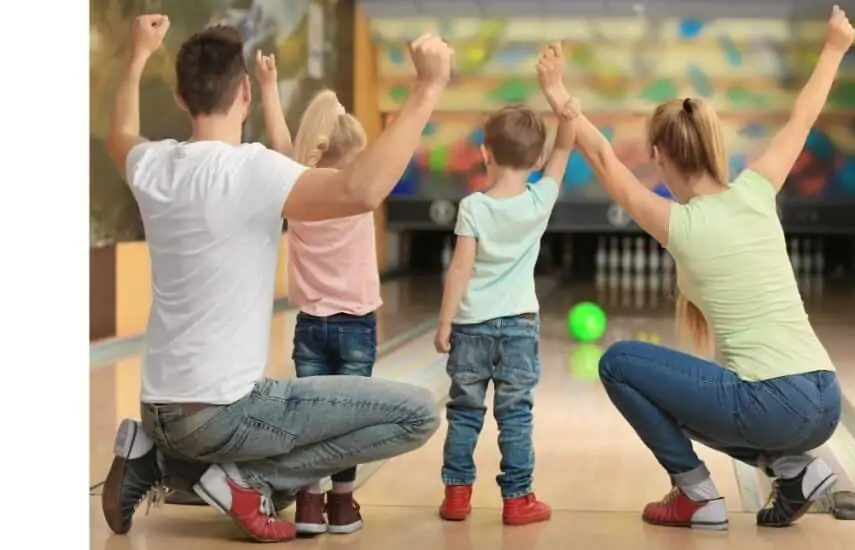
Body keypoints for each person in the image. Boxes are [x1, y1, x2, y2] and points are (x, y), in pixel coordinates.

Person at [100, 15, 453, 543]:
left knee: (282, 475)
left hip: (160, 411)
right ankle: (246, 483)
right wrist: (427, 89)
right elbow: (361, 190)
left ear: (179, 95)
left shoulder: (155, 165)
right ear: (245, 92)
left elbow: (118, 134)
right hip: (226, 413)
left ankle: (149, 461)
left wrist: (135, 56)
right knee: (419, 414)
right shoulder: (255, 171)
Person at [533, 5, 855, 530]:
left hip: (772, 402)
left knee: (619, 364)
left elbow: (602, 158)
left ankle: (697, 493)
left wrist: (557, 96)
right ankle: (793, 469)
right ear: (710, 146)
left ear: (659, 154)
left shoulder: (678, 223)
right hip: (826, 395)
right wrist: (834, 47)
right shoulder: (757, 188)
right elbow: (803, 117)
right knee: (697, 397)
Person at [251, 51, 381, 536]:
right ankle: (342, 507)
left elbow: (287, 144)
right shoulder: (359, 191)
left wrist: (269, 85)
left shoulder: (297, 188)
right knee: (347, 419)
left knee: (308, 416)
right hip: (356, 325)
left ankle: (308, 505)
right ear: (357, 158)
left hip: (309, 326)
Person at [433, 102, 575, 525]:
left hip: (471, 327)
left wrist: (444, 321)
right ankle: (518, 499)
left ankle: (457, 496)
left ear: (485, 153)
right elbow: (564, 152)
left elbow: (459, 268)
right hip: (519, 327)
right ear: (536, 160)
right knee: (515, 414)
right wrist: (566, 116)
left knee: (463, 412)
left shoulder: (473, 207)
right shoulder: (539, 201)